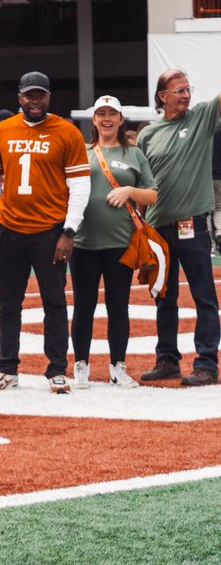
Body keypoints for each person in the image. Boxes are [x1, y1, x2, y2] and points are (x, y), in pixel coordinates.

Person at [0, 72, 90, 393]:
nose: (35, 101)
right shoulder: (2, 131)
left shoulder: (66, 132)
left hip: (50, 231)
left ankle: (56, 369)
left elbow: (80, 185)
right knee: (7, 304)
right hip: (10, 229)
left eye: (40, 96)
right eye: (29, 96)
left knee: (55, 302)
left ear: (49, 97)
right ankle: (7, 368)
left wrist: (69, 230)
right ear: (19, 98)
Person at [137, 70, 221, 386]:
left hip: (192, 225)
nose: (186, 95)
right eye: (179, 90)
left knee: (204, 296)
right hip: (157, 229)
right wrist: (139, 228)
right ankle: (168, 360)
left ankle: (207, 364)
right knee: (164, 297)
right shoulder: (147, 134)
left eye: (188, 89)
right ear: (162, 96)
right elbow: (144, 185)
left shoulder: (201, 117)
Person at [70, 96, 158, 390]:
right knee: (83, 306)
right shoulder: (80, 152)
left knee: (118, 307)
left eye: (112, 114)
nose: (106, 119)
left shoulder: (133, 154)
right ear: (93, 120)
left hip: (120, 242)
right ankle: (80, 365)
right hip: (83, 243)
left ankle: (118, 366)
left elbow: (152, 195)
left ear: (121, 119)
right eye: (101, 114)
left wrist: (129, 189)